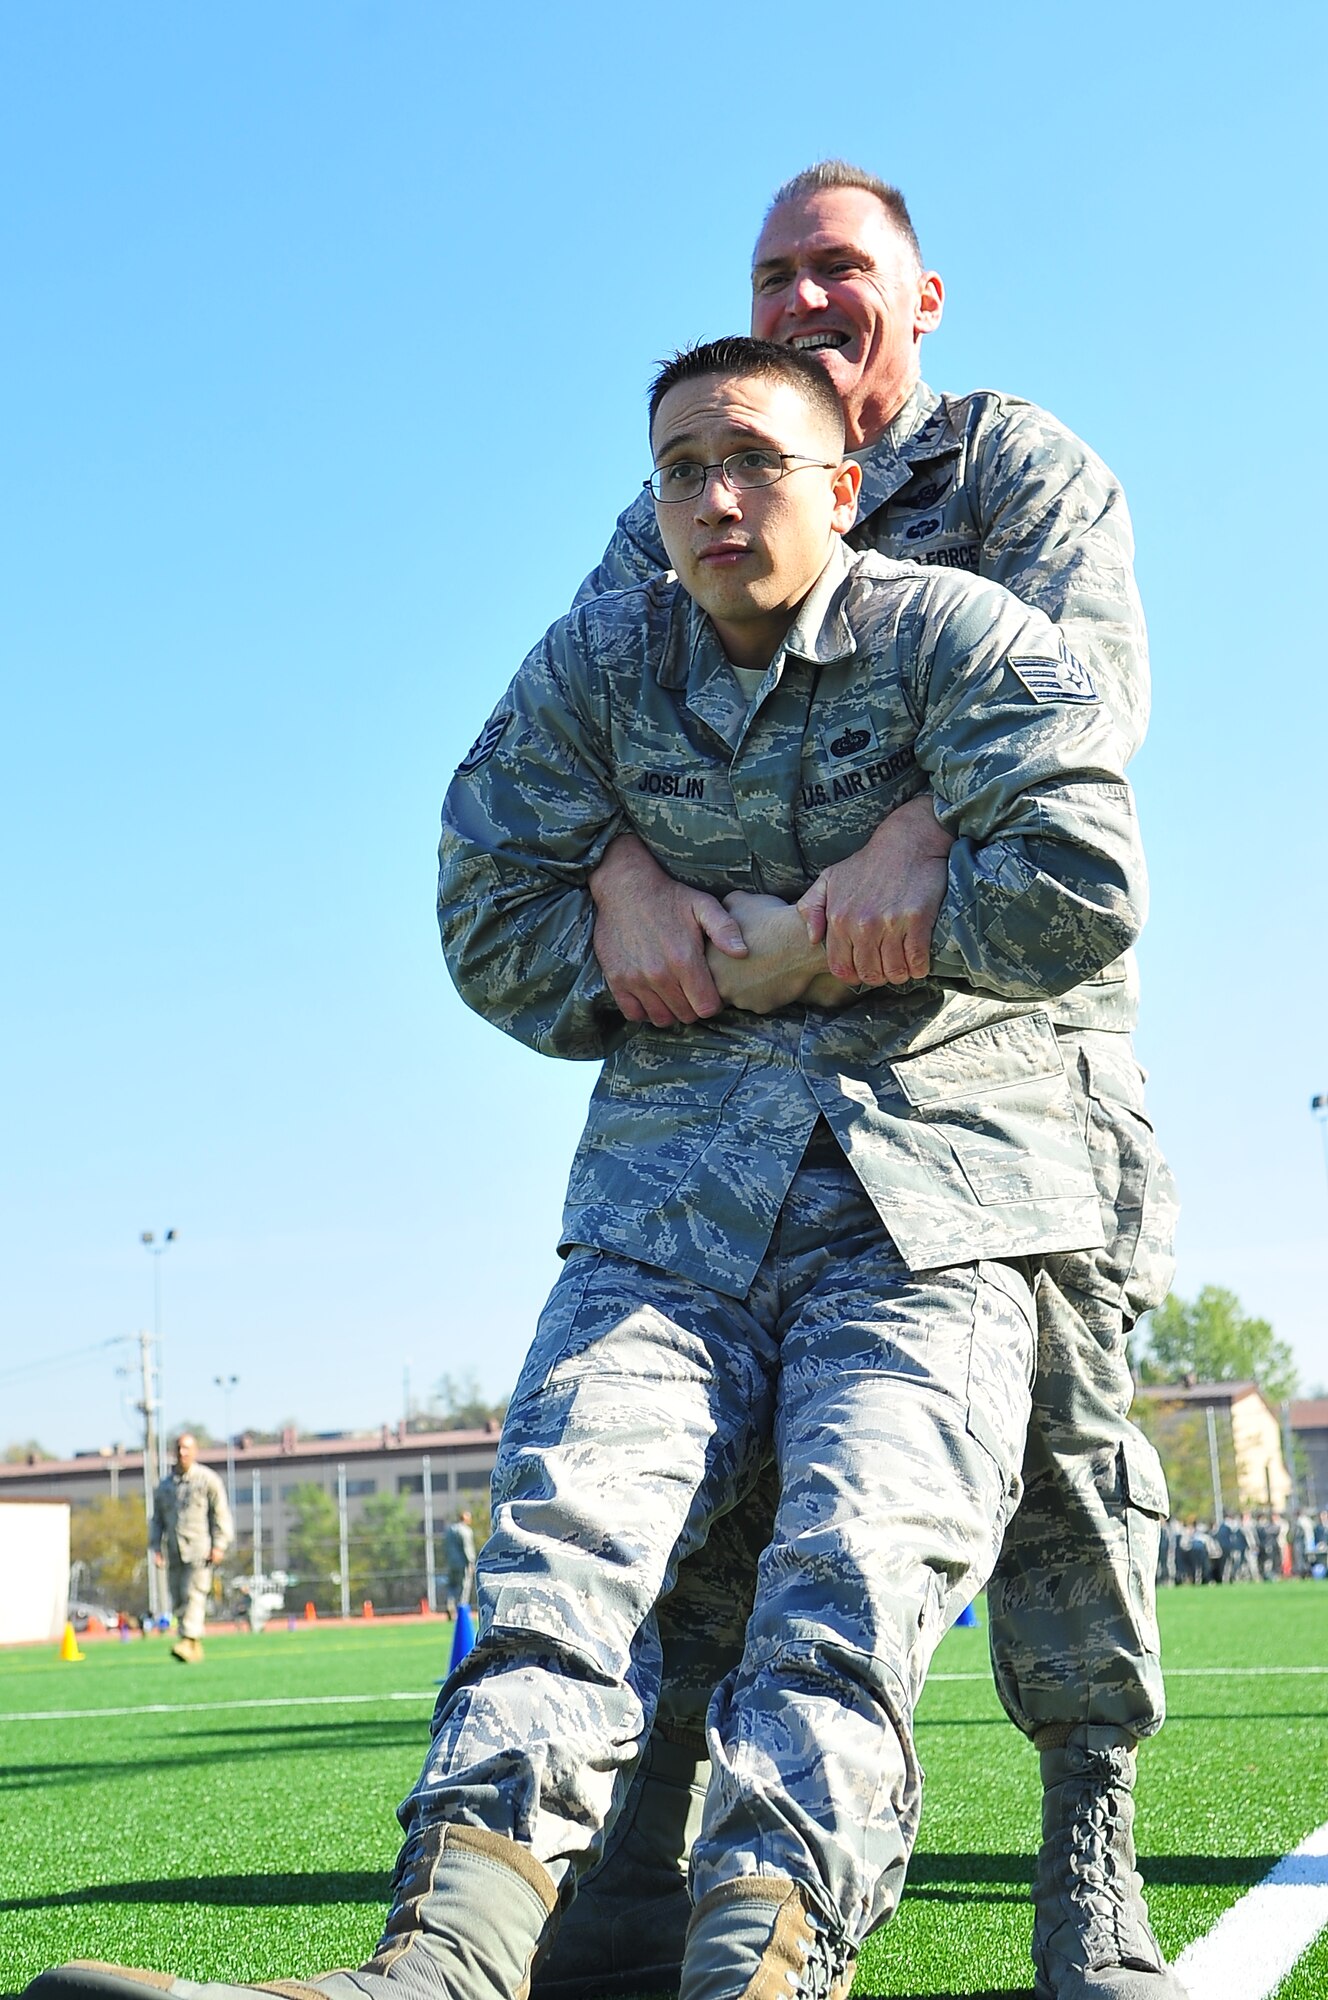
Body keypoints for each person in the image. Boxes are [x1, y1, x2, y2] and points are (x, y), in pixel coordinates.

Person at [27, 337, 1148, 2000]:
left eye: (752, 458)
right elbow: (483, 897)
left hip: (924, 1209)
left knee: (847, 1576)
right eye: (678, 463)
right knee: (559, 1548)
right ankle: (452, 1956)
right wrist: (622, 937)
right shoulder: (598, 666)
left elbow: (1081, 873)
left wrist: (847, 940)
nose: (711, 494)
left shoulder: (953, 632)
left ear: (842, 486)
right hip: (668, 1215)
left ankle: (761, 1959)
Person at [542, 162, 1180, 2000]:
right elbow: (573, 718)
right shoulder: (694, 490)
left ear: (920, 296)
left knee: (1059, 1463)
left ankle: (1087, 1868)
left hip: (1004, 1063)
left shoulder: (1016, 473)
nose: (805, 296)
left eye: (839, 267)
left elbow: (1081, 707)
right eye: (773, 271)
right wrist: (615, 874)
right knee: (709, 1481)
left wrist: (914, 832)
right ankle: (642, 1876)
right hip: (746, 1081)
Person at [148, 1433, 232, 1664]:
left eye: (187, 1448)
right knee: (178, 1598)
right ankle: (193, 1647)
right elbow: (157, 1520)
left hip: (200, 1549)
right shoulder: (165, 1487)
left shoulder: (207, 1480)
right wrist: (155, 1547)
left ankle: (187, 1639)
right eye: (178, 1448)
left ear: (195, 1451)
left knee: (194, 1594)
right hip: (174, 1549)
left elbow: (220, 1514)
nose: (182, 1453)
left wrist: (219, 1545)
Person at [442, 1509, 476, 1614]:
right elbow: (467, 1548)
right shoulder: (465, 1530)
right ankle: (461, 1609)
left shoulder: (449, 1530)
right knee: (464, 1586)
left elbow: (445, 1547)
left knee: (452, 1585)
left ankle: (450, 1604)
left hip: (451, 1562)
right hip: (462, 1563)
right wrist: (471, 1562)